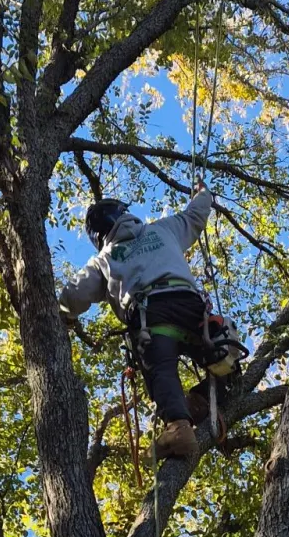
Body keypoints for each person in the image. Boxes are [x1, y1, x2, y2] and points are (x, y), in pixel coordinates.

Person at [58, 181, 214, 459]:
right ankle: (206, 399)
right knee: (223, 356)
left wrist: (64, 316)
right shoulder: (163, 229)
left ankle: (179, 427)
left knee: (161, 369)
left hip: (152, 315)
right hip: (192, 309)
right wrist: (202, 193)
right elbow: (195, 215)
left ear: (99, 235)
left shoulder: (106, 258)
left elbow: (73, 293)